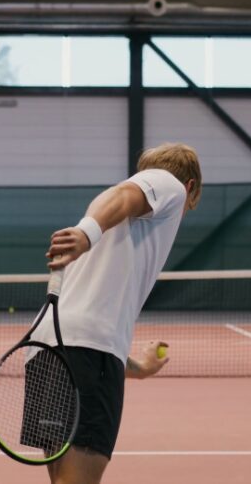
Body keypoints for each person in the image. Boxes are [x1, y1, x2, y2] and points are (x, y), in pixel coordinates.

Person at [31, 142, 202, 484]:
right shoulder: (169, 186)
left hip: (47, 348)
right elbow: (125, 193)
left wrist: (138, 368)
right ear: (192, 188)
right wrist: (85, 232)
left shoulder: (122, 226)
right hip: (86, 353)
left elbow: (89, 326)